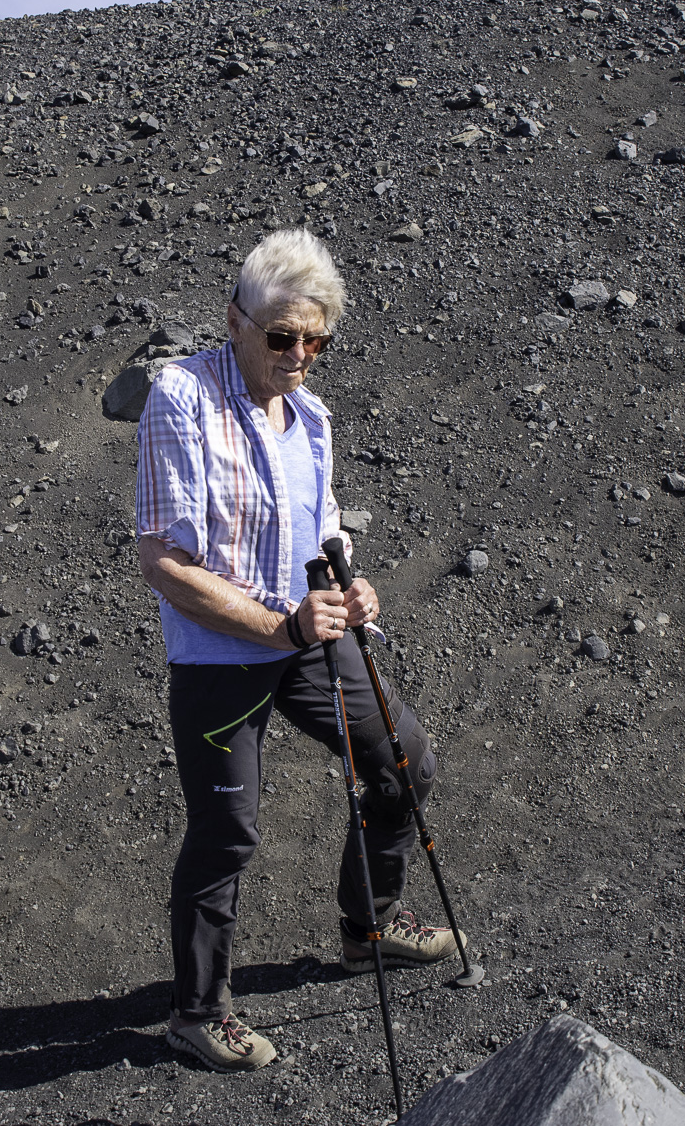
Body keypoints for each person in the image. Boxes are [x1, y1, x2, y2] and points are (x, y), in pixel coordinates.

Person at [136, 231, 466, 1073]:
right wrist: (277, 626)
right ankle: (197, 1013)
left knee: (402, 763)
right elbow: (166, 563)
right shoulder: (181, 398)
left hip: (310, 637)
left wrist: (353, 583)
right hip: (223, 654)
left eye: (316, 340)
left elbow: (321, 525)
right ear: (236, 320)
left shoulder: (311, 416)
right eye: (282, 336)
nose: (299, 355)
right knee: (228, 831)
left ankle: (370, 927)